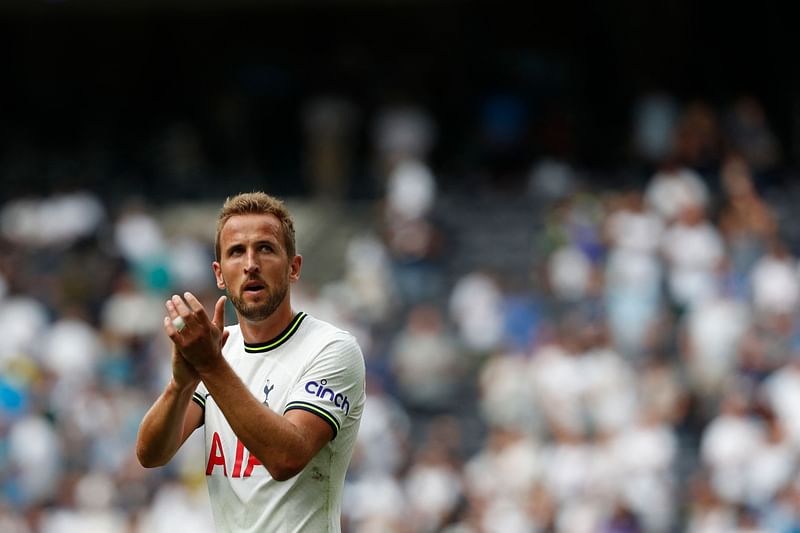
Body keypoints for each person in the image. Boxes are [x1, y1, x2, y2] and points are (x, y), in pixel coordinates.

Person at [136, 192, 366, 532]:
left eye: (266, 248)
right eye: (236, 252)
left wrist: (210, 366)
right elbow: (151, 455)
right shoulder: (218, 350)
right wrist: (181, 384)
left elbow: (287, 458)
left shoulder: (331, 349)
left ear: (294, 268)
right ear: (219, 273)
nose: (250, 264)